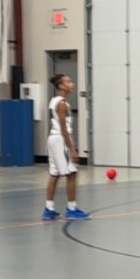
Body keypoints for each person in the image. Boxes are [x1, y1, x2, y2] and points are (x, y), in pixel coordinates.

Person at [43, 73, 90, 221]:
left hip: (52, 138)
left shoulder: (54, 101)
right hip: (60, 139)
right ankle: (71, 208)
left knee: (54, 173)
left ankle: (49, 208)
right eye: (69, 82)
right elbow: (64, 128)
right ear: (61, 86)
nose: (72, 84)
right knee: (71, 173)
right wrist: (73, 149)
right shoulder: (62, 104)